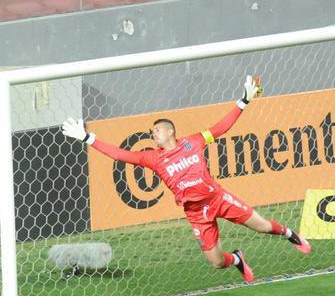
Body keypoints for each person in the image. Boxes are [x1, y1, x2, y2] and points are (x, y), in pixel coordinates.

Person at [60, 75, 310, 282]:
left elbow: (220, 128)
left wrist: (243, 101)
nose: (153, 134)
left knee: (264, 227)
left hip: (217, 198)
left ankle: (290, 234)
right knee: (215, 262)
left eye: (156, 130)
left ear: (170, 131)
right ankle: (236, 259)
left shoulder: (194, 141)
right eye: (152, 132)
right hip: (195, 212)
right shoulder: (153, 158)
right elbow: (121, 155)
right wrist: (87, 138)